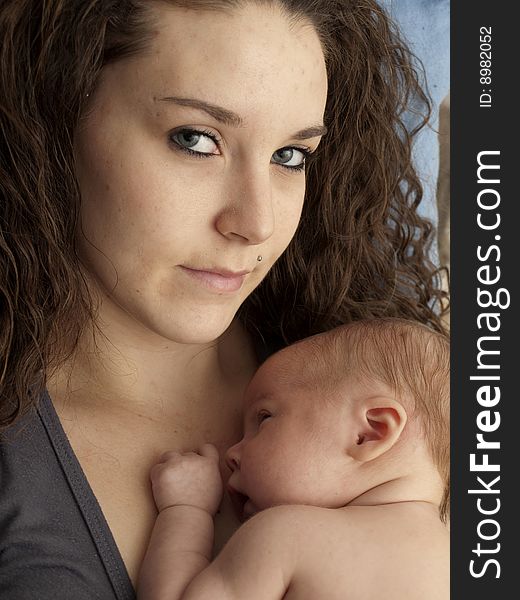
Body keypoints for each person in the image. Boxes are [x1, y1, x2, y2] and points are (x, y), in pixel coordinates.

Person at [0, 1, 448, 598]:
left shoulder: (390, 384)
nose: (256, 223)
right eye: (196, 139)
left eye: (291, 156)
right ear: (52, 122)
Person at [137, 318, 450, 599]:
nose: (232, 452)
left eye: (265, 418)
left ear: (369, 433)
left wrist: (185, 509)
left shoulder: (287, 533)